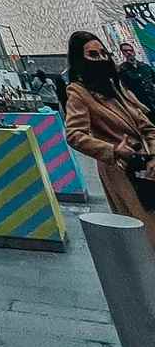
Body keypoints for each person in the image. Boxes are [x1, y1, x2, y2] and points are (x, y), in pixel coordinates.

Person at [64, 31, 155, 244]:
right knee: (144, 231)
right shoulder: (78, 93)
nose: (102, 59)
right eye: (93, 55)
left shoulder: (116, 86)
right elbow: (74, 134)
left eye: (104, 53)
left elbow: (147, 125)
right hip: (123, 170)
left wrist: (153, 154)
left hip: (149, 162)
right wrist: (113, 150)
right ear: (80, 59)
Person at [119, 42, 155, 117]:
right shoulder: (122, 70)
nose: (128, 52)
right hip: (142, 105)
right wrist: (139, 105)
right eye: (125, 51)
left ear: (134, 52)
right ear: (122, 53)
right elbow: (126, 90)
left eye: (130, 50)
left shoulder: (145, 66)